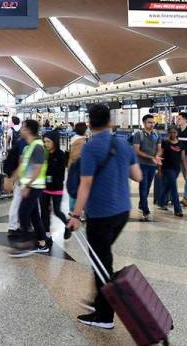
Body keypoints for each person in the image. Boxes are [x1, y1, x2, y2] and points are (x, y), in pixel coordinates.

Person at [68, 104, 142, 330]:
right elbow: (137, 176)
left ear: (89, 124)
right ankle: (100, 300)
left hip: (101, 214)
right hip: (122, 211)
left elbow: (85, 184)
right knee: (103, 258)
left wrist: (75, 215)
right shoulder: (123, 144)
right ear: (110, 122)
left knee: (101, 263)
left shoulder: (90, 148)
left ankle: (104, 316)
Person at [8, 120, 49, 257]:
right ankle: (42, 244)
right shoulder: (30, 146)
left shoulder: (37, 146)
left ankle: (25, 244)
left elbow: (37, 169)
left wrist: (27, 185)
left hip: (34, 186)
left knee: (23, 213)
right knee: (34, 215)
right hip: (30, 185)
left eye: (23, 127)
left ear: (29, 130)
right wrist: (12, 178)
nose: (21, 129)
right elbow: (23, 166)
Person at [40, 130, 71, 244]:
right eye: (45, 142)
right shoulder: (44, 153)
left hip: (56, 187)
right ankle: (47, 235)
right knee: (44, 212)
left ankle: (67, 225)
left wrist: (48, 172)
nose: (46, 144)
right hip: (44, 188)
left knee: (57, 211)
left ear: (54, 142)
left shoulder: (61, 154)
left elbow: (59, 173)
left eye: (48, 142)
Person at [133, 114, 162, 222]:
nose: (152, 124)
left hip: (152, 165)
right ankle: (145, 209)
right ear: (144, 123)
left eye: (153, 122)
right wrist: (151, 157)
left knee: (148, 186)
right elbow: (136, 150)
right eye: (149, 122)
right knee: (143, 186)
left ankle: (141, 204)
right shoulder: (138, 134)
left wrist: (157, 156)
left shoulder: (156, 134)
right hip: (142, 164)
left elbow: (159, 148)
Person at [158, 126, 186, 216]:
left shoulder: (181, 144)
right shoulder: (165, 143)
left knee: (167, 186)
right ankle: (178, 209)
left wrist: (185, 169)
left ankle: (161, 202)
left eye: (174, 132)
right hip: (167, 168)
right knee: (174, 188)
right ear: (168, 133)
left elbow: (183, 158)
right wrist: (159, 169)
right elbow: (160, 156)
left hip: (176, 169)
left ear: (177, 133)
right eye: (171, 132)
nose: (172, 134)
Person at [67, 122, 88, 213]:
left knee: (73, 186)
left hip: (71, 166)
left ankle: (73, 209)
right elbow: (78, 156)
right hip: (78, 167)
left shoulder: (73, 139)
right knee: (79, 187)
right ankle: (78, 210)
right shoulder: (81, 141)